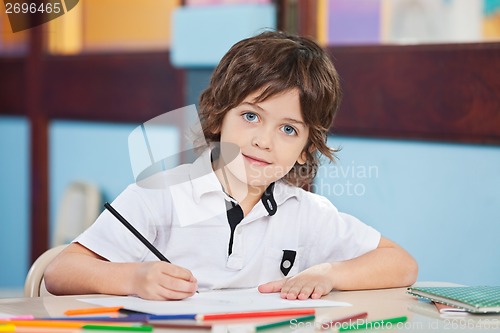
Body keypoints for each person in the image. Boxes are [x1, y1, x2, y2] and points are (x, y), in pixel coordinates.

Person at [45, 31, 418, 301]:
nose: (264, 141)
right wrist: (134, 277)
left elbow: (401, 264)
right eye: (251, 117)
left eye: (288, 129)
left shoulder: (306, 213)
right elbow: (60, 272)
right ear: (219, 116)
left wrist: (329, 272)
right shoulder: (158, 195)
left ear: (306, 149)